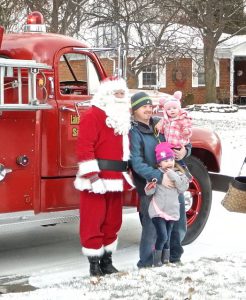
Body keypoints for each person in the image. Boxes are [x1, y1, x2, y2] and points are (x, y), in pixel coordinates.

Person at [74, 77, 134, 277]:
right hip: (96, 180)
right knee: (93, 221)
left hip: (116, 178)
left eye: (122, 93)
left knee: (113, 221)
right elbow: (84, 148)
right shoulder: (92, 115)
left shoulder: (123, 117)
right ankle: (94, 265)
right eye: (116, 93)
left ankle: (107, 262)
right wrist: (92, 177)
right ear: (105, 95)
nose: (120, 97)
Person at [129, 91, 192, 268]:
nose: (148, 110)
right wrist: (158, 176)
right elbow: (136, 162)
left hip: (173, 182)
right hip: (152, 186)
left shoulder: (162, 124)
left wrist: (184, 151)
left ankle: (173, 257)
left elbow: (184, 139)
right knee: (152, 227)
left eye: (150, 106)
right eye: (144, 107)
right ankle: (148, 262)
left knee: (177, 222)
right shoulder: (134, 132)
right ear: (134, 110)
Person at [147, 142, 189, 267]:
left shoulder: (179, 174)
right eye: (165, 160)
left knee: (168, 237)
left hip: (172, 211)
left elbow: (182, 187)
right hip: (158, 210)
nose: (169, 162)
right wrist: (151, 185)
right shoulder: (156, 174)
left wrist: (172, 174)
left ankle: (165, 260)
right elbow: (149, 191)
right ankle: (156, 261)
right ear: (159, 163)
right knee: (163, 236)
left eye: (171, 159)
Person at [155, 91, 192, 179]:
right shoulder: (166, 120)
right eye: (169, 109)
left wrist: (186, 132)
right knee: (170, 161)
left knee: (179, 160)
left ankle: (186, 174)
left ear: (179, 108)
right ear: (165, 111)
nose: (172, 110)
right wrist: (160, 127)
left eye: (174, 108)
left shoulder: (182, 118)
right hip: (169, 145)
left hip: (178, 145)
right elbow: (164, 131)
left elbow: (188, 126)